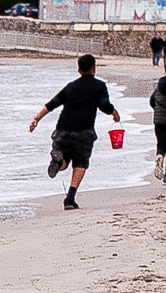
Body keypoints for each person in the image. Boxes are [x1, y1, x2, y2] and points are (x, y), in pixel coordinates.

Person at [27, 54, 121, 211]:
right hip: (83, 132)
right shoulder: (99, 86)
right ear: (94, 69)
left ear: (78, 69)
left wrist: (36, 119)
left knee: (64, 163)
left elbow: (52, 104)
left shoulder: (70, 86)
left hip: (62, 129)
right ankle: (70, 198)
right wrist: (114, 113)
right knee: (80, 164)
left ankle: (57, 162)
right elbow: (104, 105)